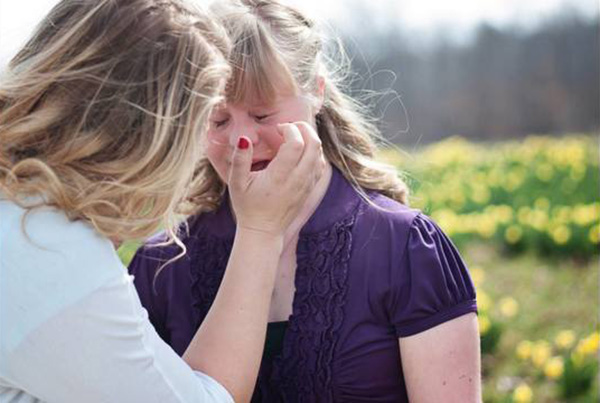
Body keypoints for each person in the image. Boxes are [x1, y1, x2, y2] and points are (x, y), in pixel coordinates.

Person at [129, 0, 481, 402]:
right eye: (218, 120)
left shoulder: (406, 248)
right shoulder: (161, 265)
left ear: (316, 91)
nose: (241, 141)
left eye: (261, 115)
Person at [0, 0, 326, 402]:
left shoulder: (25, 218)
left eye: (260, 115)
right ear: (152, 136)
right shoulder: (50, 257)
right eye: (213, 121)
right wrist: (260, 231)